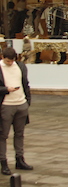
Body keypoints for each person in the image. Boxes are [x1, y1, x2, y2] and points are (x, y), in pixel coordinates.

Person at [0, 47, 32, 175]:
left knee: (19, 133)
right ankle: (3, 162)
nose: (10, 63)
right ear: (2, 57)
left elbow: (25, 84)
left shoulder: (20, 66)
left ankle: (20, 159)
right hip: (6, 105)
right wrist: (6, 89)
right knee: (3, 135)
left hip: (21, 104)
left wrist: (27, 101)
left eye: (12, 61)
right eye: (8, 61)